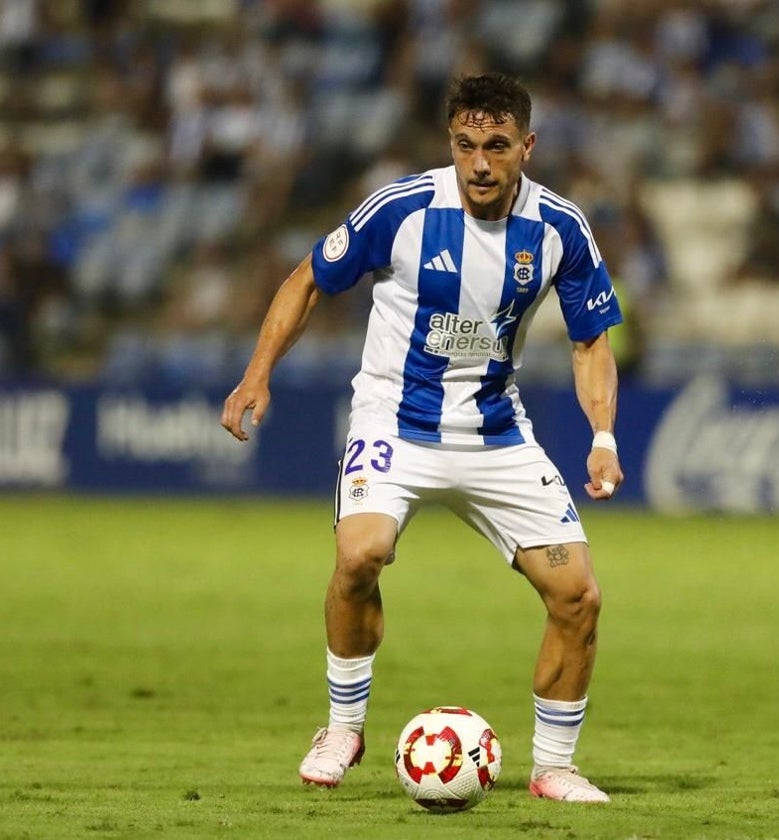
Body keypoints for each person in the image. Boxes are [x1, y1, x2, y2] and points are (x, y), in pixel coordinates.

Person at [221, 72, 623, 803]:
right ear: (451, 143)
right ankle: (344, 726)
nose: (479, 162)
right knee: (359, 555)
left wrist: (603, 436)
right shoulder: (403, 208)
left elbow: (591, 343)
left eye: (497, 146)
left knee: (579, 595)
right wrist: (257, 374)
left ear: (526, 147)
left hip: (496, 434)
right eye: (466, 144)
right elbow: (309, 278)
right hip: (394, 423)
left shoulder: (560, 227)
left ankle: (554, 766)